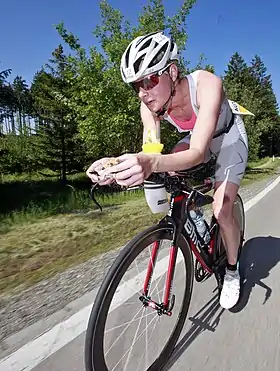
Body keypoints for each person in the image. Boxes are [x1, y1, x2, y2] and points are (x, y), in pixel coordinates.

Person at [86, 31, 250, 310]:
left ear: (172, 71)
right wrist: (118, 167)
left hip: (228, 137)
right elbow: (151, 153)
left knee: (222, 209)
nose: (142, 92)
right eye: (136, 85)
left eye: (149, 80)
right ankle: (194, 217)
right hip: (197, 137)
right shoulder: (148, 107)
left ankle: (232, 271)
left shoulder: (208, 84)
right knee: (168, 168)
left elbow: (197, 152)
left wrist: (152, 163)